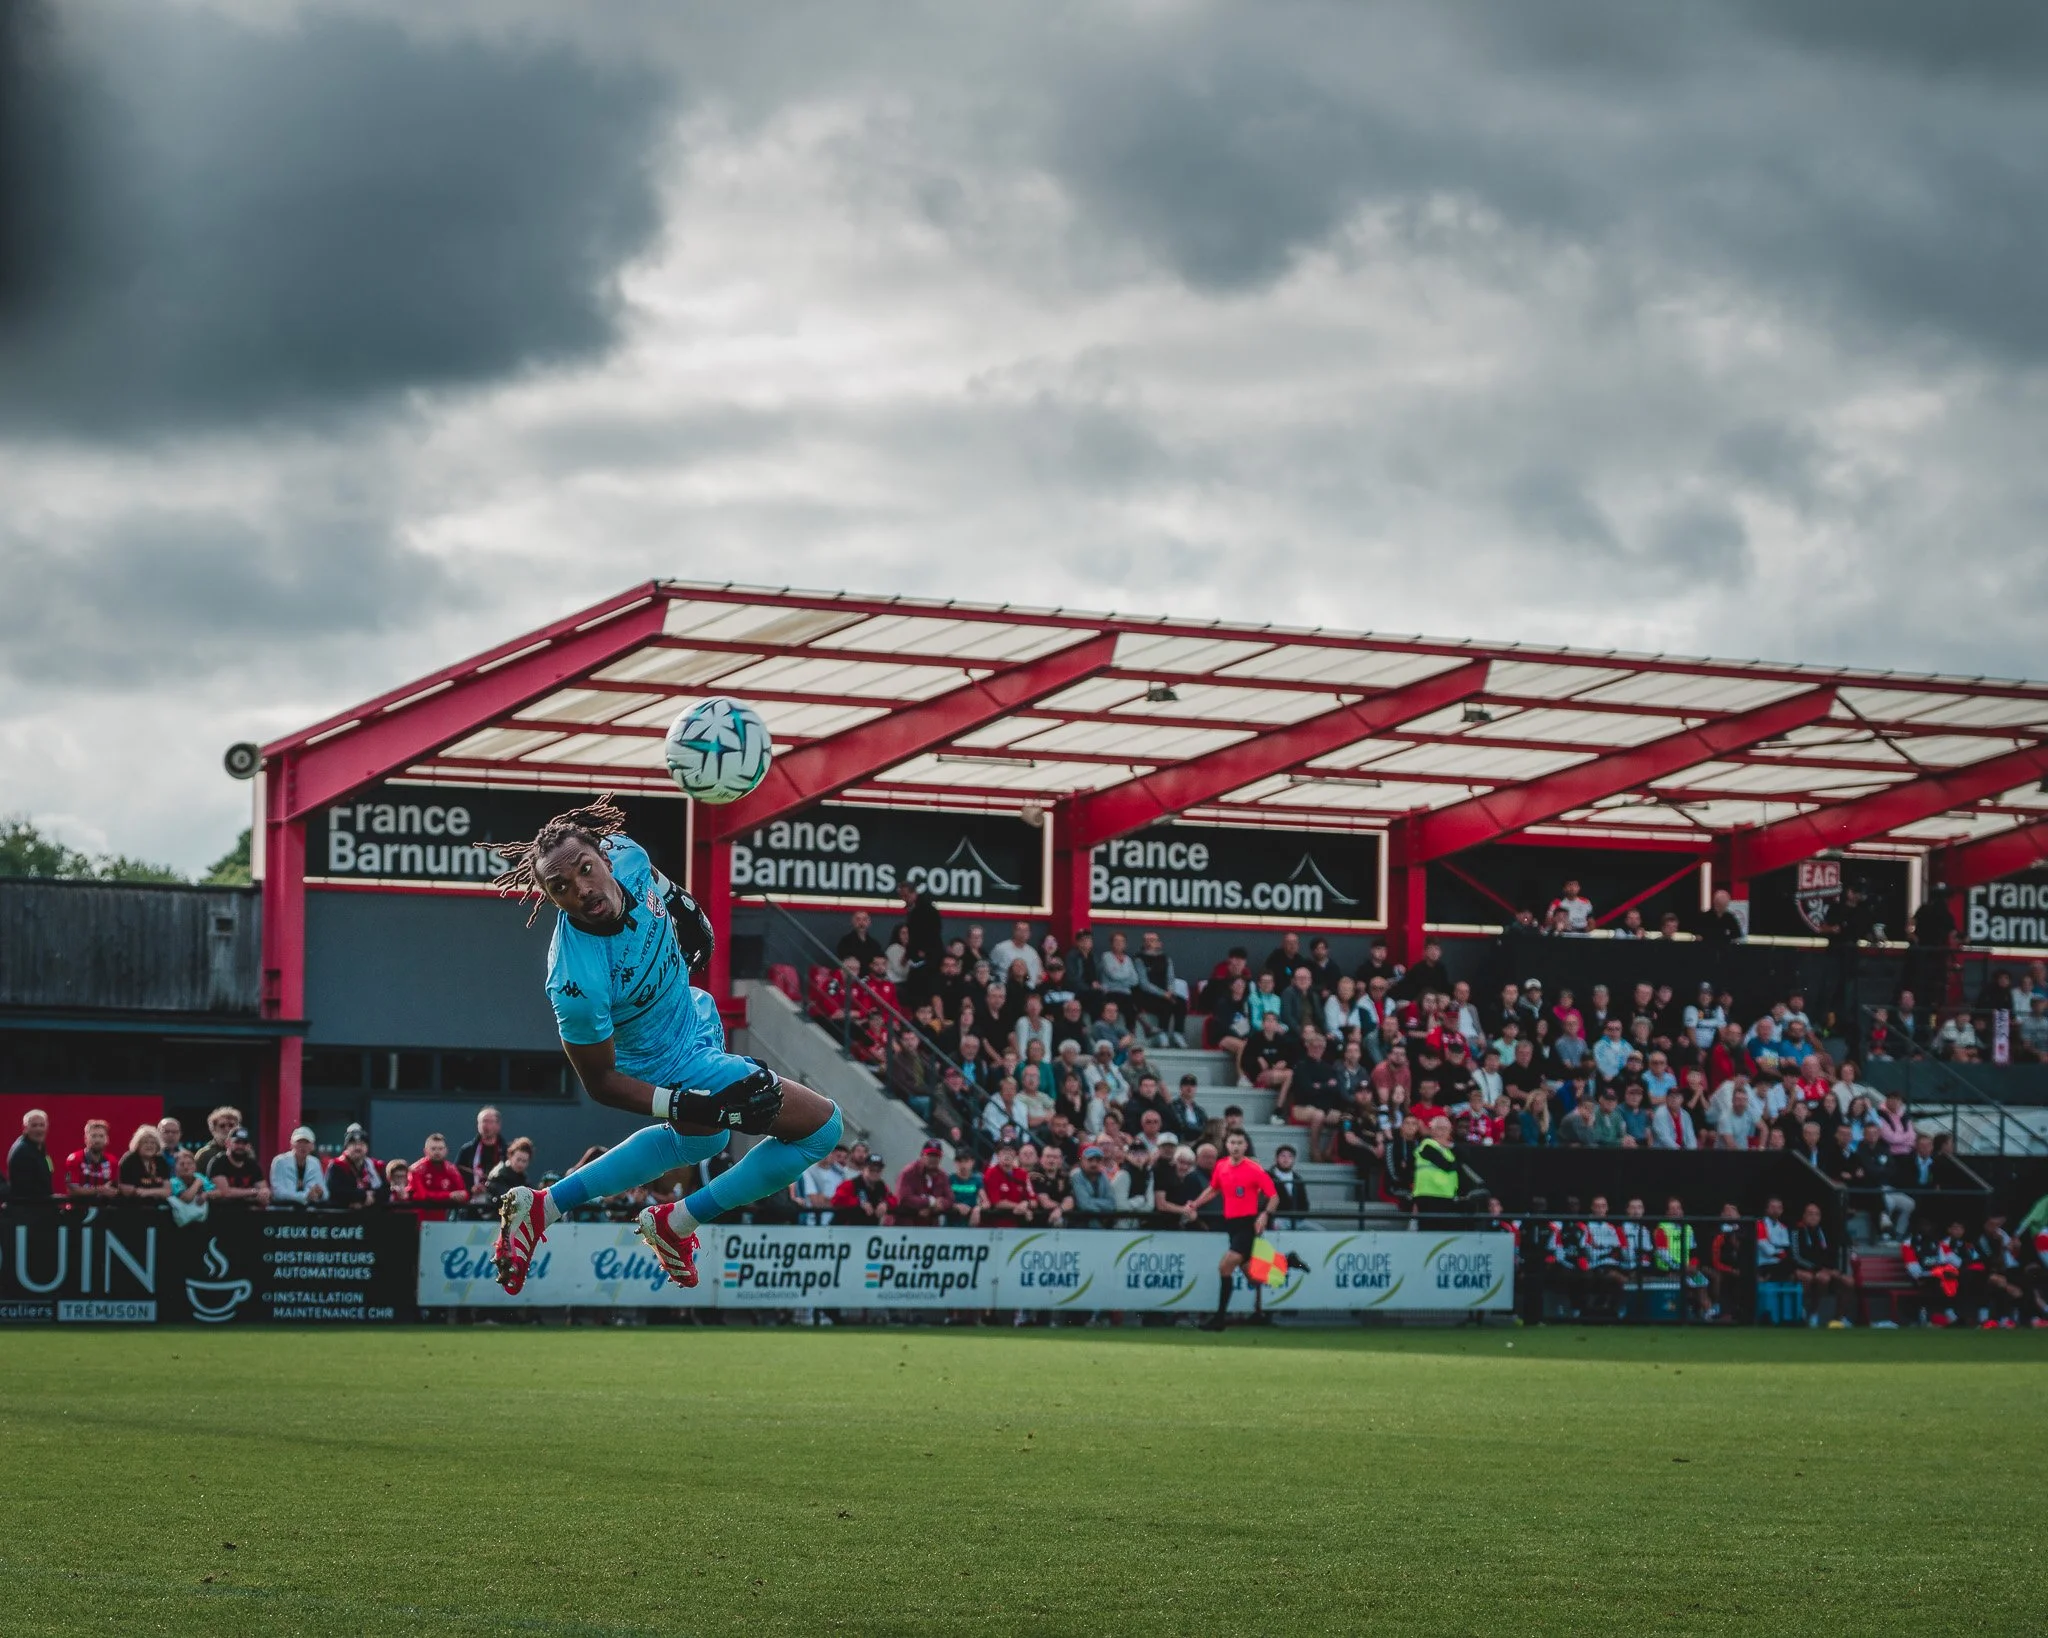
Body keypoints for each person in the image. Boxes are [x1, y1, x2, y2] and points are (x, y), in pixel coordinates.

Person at [476, 797, 845, 1294]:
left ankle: (544, 1206)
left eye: (585, 868)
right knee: (823, 1129)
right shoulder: (576, 982)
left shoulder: (627, 853)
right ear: (550, 898)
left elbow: (657, 883)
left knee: (705, 1142)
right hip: (663, 1064)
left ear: (605, 857)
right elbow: (601, 1083)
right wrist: (685, 1102)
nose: (581, 889)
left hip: (692, 1014)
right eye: (560, 887)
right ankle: (677, 1222)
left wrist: (683, 906)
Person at [1190, 1128, 1277, 1331]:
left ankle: (1219, 1319)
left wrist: (1265, 1214)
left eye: (1240, 1143)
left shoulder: (1254, 1169)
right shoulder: (1221, 1166)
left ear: (1245, 1146)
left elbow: (1273, 1196)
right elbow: (1214, 1189)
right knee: (1254, 1277)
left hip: (1248, 1225)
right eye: (1232, 1143)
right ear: (1226, 1145)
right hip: (1232, 1225)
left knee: (1224, 1267)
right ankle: (1289, 1262)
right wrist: (1195, 1204)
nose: (1236, 1146)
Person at [1792, 1201, 1849, 1325]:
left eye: (1816, 1214)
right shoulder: (1796, 1231)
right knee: (1822, 1278)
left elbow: (1830, 1254)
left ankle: (1839, 1318)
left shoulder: (1823, 1232)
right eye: (1810, 1214)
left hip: (1823, 1269)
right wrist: (1817, 1269)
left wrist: (1832, 1269)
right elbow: (1796, 1257)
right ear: (1804, 1216)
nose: (1813, 1217)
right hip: (1805, 1269)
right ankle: (1812, 1313)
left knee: (1848, 1281)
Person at [1410, 1114, 1462, 1224]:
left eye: (1446, 1129)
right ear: (1432, 1130)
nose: (1442, 1132)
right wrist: (1458, 1163)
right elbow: (1447, 1165)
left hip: (1446, 1195)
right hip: (1428, 1195)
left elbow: (1466, 1157)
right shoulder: (1427, 1145)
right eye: (1439, 1128)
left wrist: (1452, 1146)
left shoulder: (1448, 1149)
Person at [205, 1127, 271, 1205]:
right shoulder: (217, 1163)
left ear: (249, 1146)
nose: (240, 1146)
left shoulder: (253, 1164)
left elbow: (263, 1189)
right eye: (237, 1142)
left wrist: (265, 1193)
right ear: (227, 1143)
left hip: (249, 1210)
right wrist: (254, 1191)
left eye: (244, 1143)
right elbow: (225, 1192)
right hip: (222, 1210)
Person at [894, 1143, 954, 1227]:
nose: (933, 1159)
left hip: (931, 1228)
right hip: (906, 1227)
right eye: (930, 1155)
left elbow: (950, 1199)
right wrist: (930, 1202)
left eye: (936, 1156)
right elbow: (903, 1198)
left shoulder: (942, 1176)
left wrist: (940, 1204)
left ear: (940, 1158)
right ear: (922, 1155)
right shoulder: (908, 1173)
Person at [269, 1125, 329, 1207]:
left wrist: (320, 1193)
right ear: (291, 1144)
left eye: (306, 1142)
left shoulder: (315, 1162)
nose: (303, 1146)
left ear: (312, 1146)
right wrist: (306, 1196)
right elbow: (278, 1193)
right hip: (283, 1210)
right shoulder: (280, 1161)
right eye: (299, 1142)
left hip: (309, 1211)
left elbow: (325, 1193)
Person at [64, 1119, 121, 1202]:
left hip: (104, 1207)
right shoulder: (73, 1159)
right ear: (85, 1139)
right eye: (93, 1136)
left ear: (107, 1139)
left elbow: (116, 1188)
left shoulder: (113, 1161)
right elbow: (72, 1190)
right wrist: (100, 1190)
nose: (97, 1140)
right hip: (80, 1207)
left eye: (101, 1136)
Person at [325, 1131, 385, 1210]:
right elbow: (335, 1192)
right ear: (346, 1147)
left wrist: (372, 1196)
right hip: (344, 1215)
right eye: (354, 1144)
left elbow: (386, 1190)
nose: (358, 1148)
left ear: (367, 1148)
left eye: (362, 1144)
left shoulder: (375, 1166)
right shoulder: (337, 1165)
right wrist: (362, 1196)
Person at [407, 1134, 472, 1205]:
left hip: (444, 1211)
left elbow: (462, 1191)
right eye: (433, 1149)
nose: (437, 1152)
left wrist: (463, 1195)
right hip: (420, 1211)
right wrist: (449, 1195)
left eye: (440, 1149)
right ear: (425, 1151)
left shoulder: (451, 1169)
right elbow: (422, 1196)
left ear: (446, 1151)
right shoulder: (416, 1170)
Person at [456, 1108, 508, 1197]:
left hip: (500, 1200)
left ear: (498, 1125)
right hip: (472, 1200)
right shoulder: (467, 1150)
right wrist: (470, 1189)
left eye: (489, 1121)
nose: (485, 1125)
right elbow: (457, 1176)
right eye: (482, 1121)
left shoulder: (507, 1151)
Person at [8, 1109, 54, 1203]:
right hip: (28, 1208)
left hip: (40, 1205)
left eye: (42, 1125)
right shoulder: (22, 1151)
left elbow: (49, 1170)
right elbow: (27, 1189)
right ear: (25, 1128)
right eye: (34, 1125)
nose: (39, 1129)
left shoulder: (39, 1147)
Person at [116, 1125, 172, 1201]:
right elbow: (126, 1190)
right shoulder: (129, 1159)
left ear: (157, 1146)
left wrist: (146, 1192)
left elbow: (167, 1191)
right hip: (133, 1203)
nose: (149, 1145)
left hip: (158, 1203)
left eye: (153, 1143)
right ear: (138, 1145)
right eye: (145, 1142)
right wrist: (158, 1191)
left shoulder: (160, 1160)